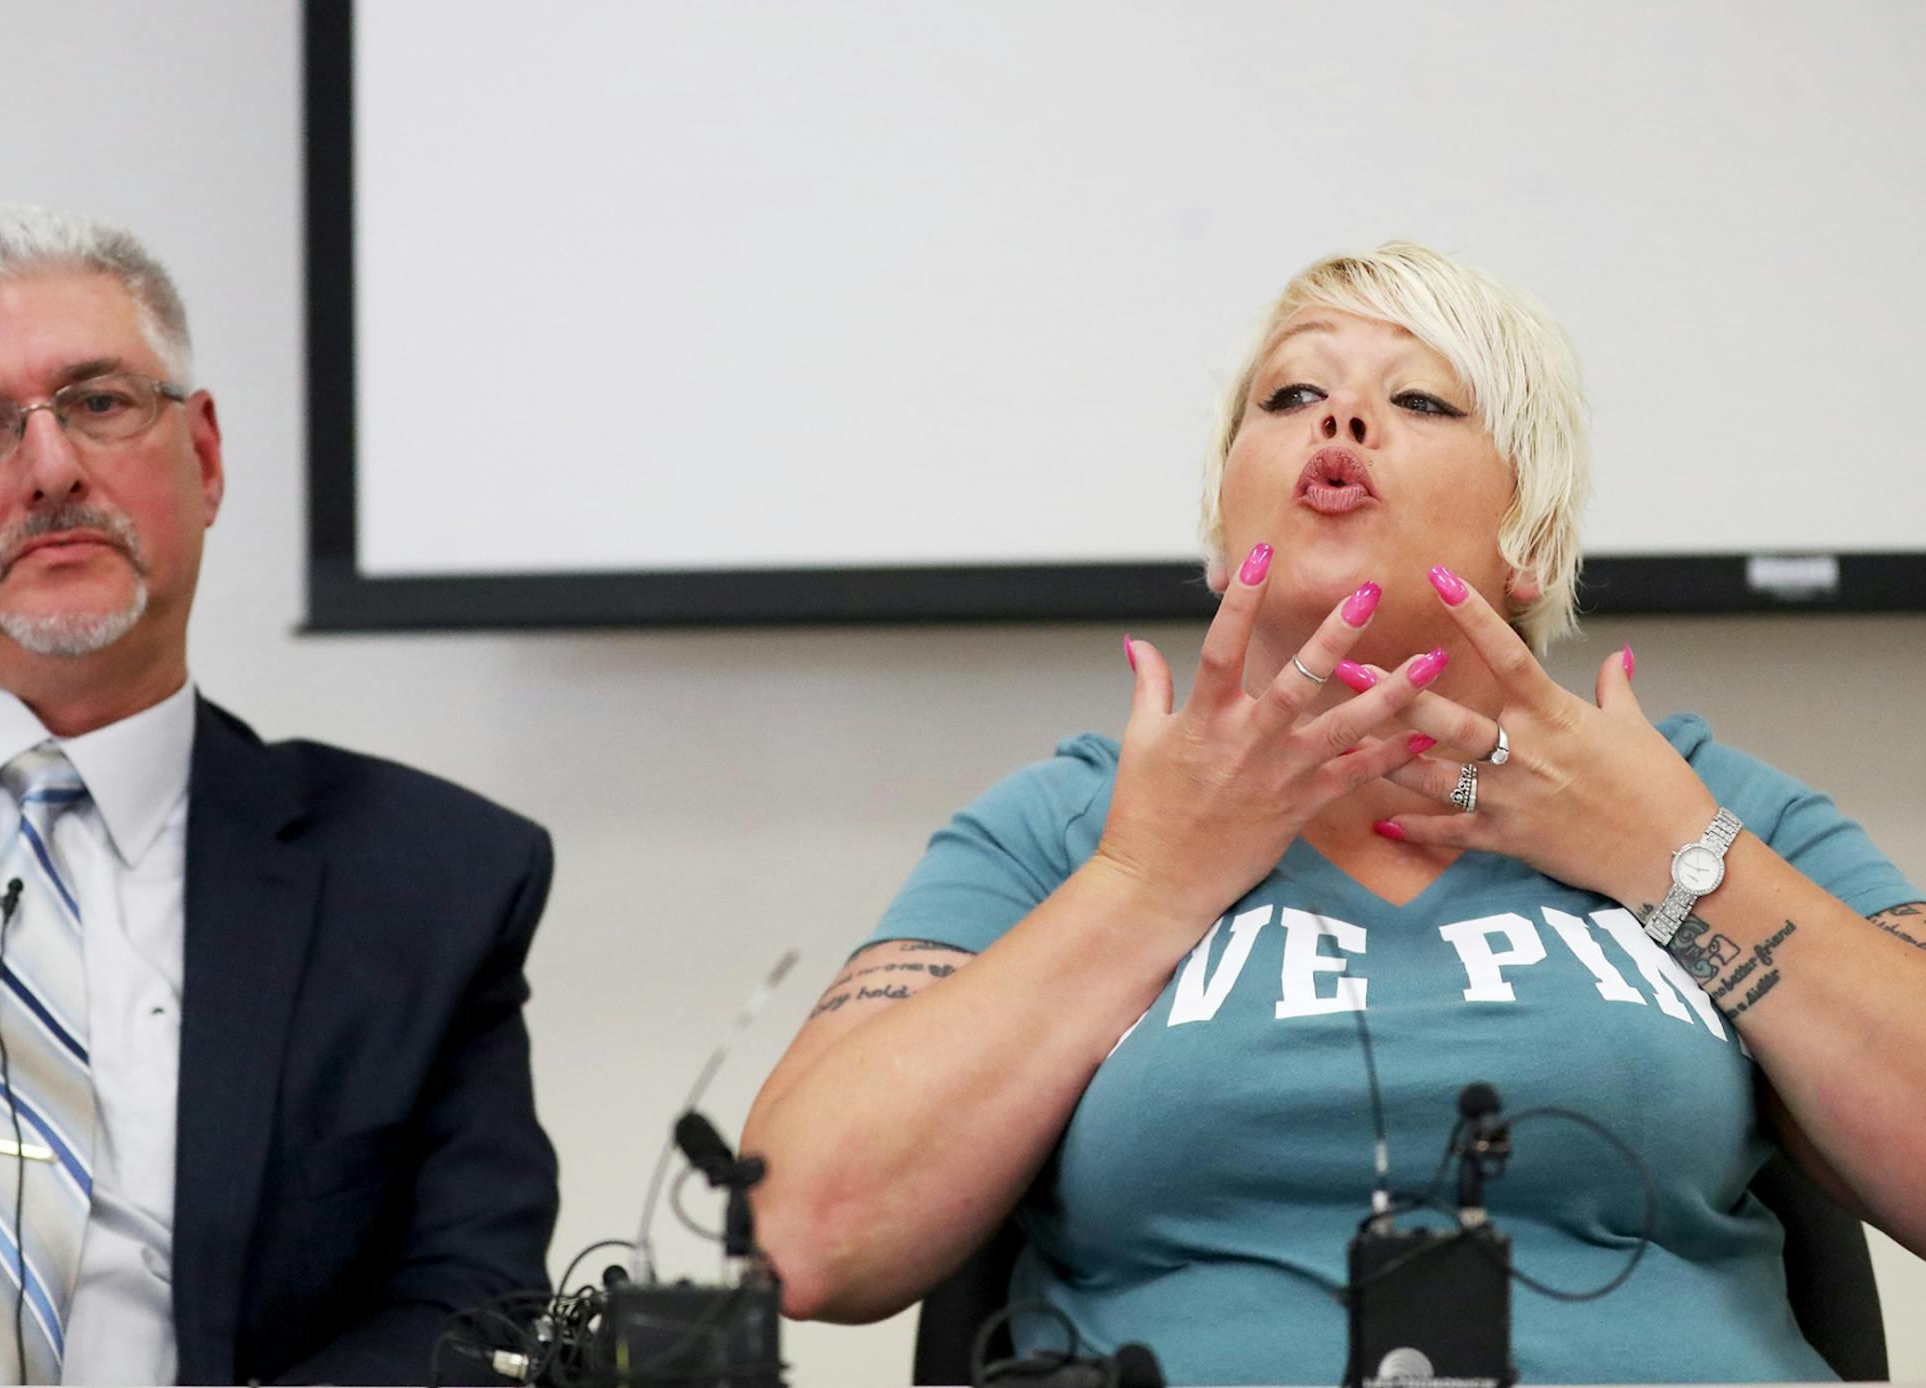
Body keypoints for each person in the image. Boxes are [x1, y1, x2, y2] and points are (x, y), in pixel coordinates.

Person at [742, 243, 1926, 1383]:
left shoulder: (1706, 802)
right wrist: (1145, 883)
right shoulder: (1065, 823)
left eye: (1420, 399)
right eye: (1295, 390)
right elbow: (802, 1233)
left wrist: (1674, 861)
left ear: (1535, 540)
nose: (1342, 422)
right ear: (1222, 528)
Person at [0, 206, 556, 1385]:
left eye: (99, 401)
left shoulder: (424, 883)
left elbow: (465, 1301)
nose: (51, 468)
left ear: (206, 455)